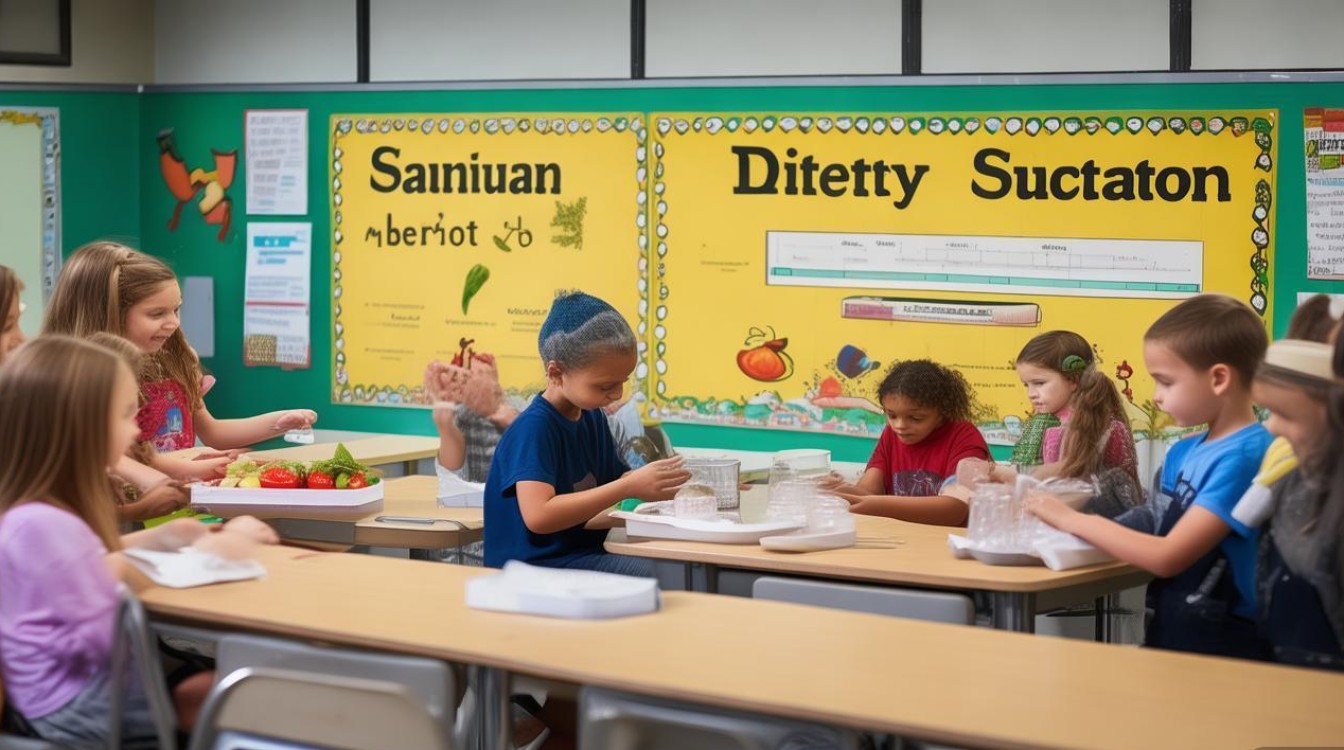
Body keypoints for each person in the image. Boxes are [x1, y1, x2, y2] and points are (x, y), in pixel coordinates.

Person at [0, 336, 278, 747]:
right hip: (82, 710)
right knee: (263, 695)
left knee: (214, 688)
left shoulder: (33, 515)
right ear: (82, 425)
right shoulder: (42, 525)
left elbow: (83, 570)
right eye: (128, 414)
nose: (136, 430)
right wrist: (216, 553)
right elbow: (106, 629)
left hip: (65, 699)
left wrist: (159, 539)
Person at [1027, 294, 1272, 659]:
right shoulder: (1182, 452)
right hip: (1173, 620)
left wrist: (1072, 519)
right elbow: (1151, 520)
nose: (1156, 398)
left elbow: (1168, 555)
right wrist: (1057, 535)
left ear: (1219, 378)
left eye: (1166, 382)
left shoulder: (1246, 456)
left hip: (1228, 641)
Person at [482, 291, 689, 574]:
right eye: (604, 386)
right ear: (556, 373)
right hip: (534, 570)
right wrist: (630, 486)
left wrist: (681, 486)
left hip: (576, 558)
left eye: (623, 382)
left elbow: (617, 481)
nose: (616, 394)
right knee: (659, 573)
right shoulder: (534, 428)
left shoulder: (592, 416)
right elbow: (539, 515)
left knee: (673, 563)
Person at [42, 241, 316, 455]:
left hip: (177, 505)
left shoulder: (173, 361)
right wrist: (184, 466)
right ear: (110, 313)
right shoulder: (86, 381)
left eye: (176, 309)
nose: (173, 322)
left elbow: (214, 432)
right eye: (157, 314)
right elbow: (112, 465)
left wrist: (282, 422)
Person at [823, 359, 989, 526]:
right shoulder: (891, 434)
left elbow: (955, 509)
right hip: (905, 539)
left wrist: (876, 504)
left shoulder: (963, 437)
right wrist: (837, 487)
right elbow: (867, 493)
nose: (899, 426)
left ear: (942, 413)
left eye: (916, 418)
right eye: (891, 415)